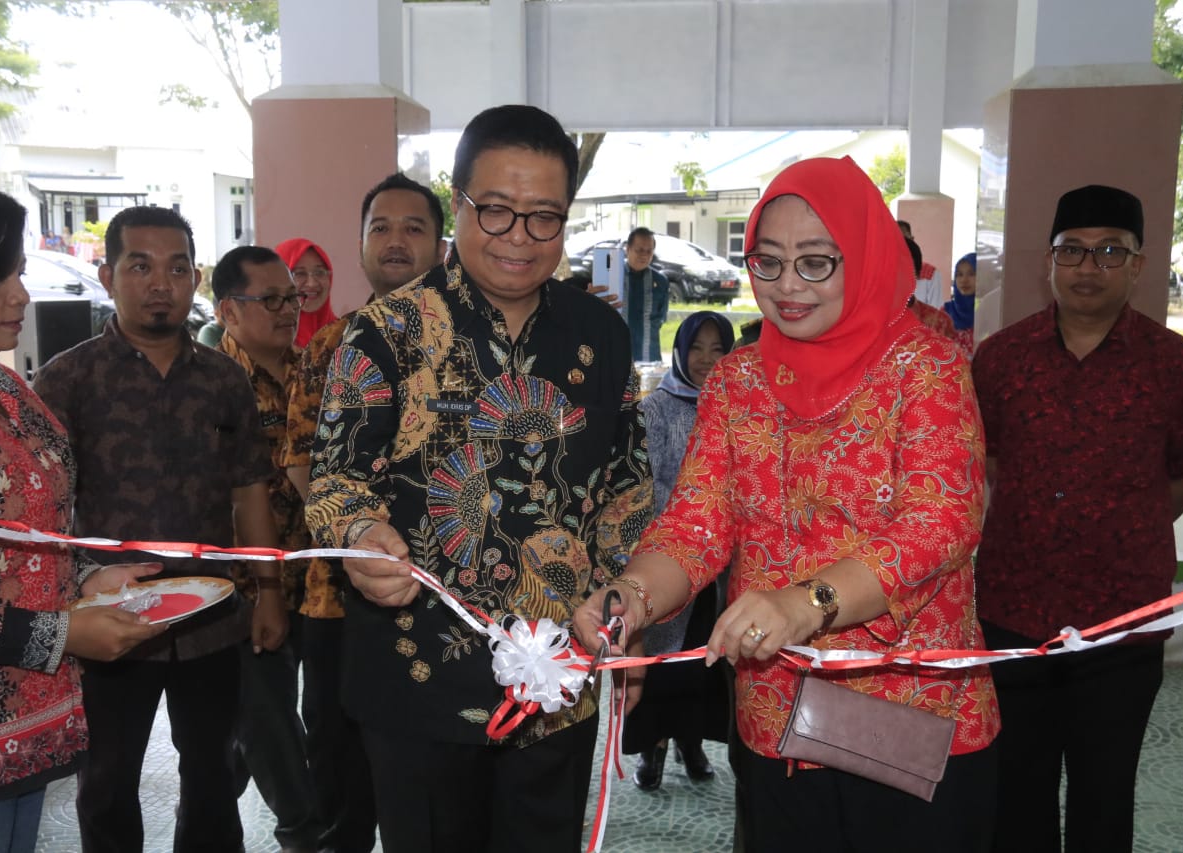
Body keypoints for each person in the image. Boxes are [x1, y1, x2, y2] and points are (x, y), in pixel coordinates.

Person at [574, 156, 999, 852]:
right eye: (767, 262)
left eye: (815, 262)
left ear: (864, 256)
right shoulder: (736, 382)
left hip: (912, 715)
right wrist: (631, 598)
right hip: (779, 712)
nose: (787, 286)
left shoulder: (927, 368)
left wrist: (807, 603)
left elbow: (940, 523)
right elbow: (695, 525)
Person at [303, 104, 652, 853]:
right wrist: (360, 534)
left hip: (558, 681)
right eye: (495, 211)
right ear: (458, 203)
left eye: (544, 217)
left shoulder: (601, 336)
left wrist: (625, 601)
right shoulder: (387, 330)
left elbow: (627, 488)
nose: (519, 237)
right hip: (417, 683)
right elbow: (335, 478)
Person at [32, 205, 289, 853]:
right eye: (139, 266)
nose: (159, 284)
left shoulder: (224, 379)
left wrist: (268, 591)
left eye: (176, 269)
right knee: (107, 779)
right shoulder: (68, 379)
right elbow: (45, 509)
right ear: (108, 275)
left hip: (212, 616)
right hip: (109, 620)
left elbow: (249, 489)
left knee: (214, 774)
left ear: (194, 279)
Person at [972, 184, 1183, 853]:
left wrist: (1130, 523)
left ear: (1138, 264)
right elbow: (984, 455)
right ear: (1050, 261)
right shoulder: (1001, 359)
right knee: (1018, 791)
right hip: (1014, 610)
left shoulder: (1177, 366)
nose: (1088, 267)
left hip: (1123, 620)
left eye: (1109, 251)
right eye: (1072, 250)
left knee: (1105, 791)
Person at [0, 172, 165, 852]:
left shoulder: (6, 387)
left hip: (32, 718)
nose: (19, 294)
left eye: (17, 272)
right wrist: (62, 632)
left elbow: (26, 537)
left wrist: (86, 581)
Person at [282, 172, 446, 852]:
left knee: (429, 788)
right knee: (340, 769)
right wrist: (359, 534)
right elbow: (302, 462)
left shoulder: (470, 348)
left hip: (442, 608)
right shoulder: (331, 345)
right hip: (336, 601)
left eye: (414, 227)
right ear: (361, 244)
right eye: (381, 227)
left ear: (442, 245)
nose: (396, 241)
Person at [210, 245, 321, 852]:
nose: (287, 310)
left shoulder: (316, 372)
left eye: (292, 298)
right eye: (270, 299)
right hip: (245, 591)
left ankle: (204, 819)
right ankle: (304, 834)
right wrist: (260, 591)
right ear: (228, 311)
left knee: (242, 737)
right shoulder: (210, 384)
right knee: (271, 720)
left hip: (318, 584)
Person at [625, 310, 734, 792]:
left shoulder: (736, 406)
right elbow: (640, 489)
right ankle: (652, 748)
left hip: (720, 568)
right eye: (697, 348)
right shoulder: (658, 409)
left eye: (718, 349)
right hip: (668, 558)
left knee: (700, 662)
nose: (706, 359)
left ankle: (691, 743)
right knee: (661, 666)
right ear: (679, 351)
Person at [279, 237, 338, 348]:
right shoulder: (266, 344)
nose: (312, 284)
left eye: (319, 272)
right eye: (300, 273)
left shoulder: (346, 336)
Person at [624, 226, 670, 362]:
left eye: (649, 251)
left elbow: (660, 319)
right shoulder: (612, 278)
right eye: (639, 250)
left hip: (650, 359)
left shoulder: (660, 282)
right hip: (615, 357)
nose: (644, 255)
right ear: (628, 249)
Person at [904, 236, 956, 340]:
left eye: (905, 269)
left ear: (917, 275)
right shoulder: (871, 320)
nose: (897, 277)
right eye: (890, 269)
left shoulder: (940, 323)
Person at [898, 219, 943, 306]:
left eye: (904, 239)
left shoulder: (931, 274)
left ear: (912, 240)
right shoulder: (883, 273)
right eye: (895, 239)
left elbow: (935, 309)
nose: (901, 244)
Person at [943, 252, 975, 356]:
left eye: (971, 274)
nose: (964, 280)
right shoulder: (945, 312)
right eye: (959, 275)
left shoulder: (989, 311)